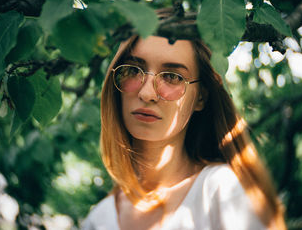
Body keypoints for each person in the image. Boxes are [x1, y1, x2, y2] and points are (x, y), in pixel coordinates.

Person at [82, 20, 286, 229]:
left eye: (172, 77)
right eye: (133, 70)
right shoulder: (99, 218)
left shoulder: (220, 192)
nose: (146, 93)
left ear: (200, 98)